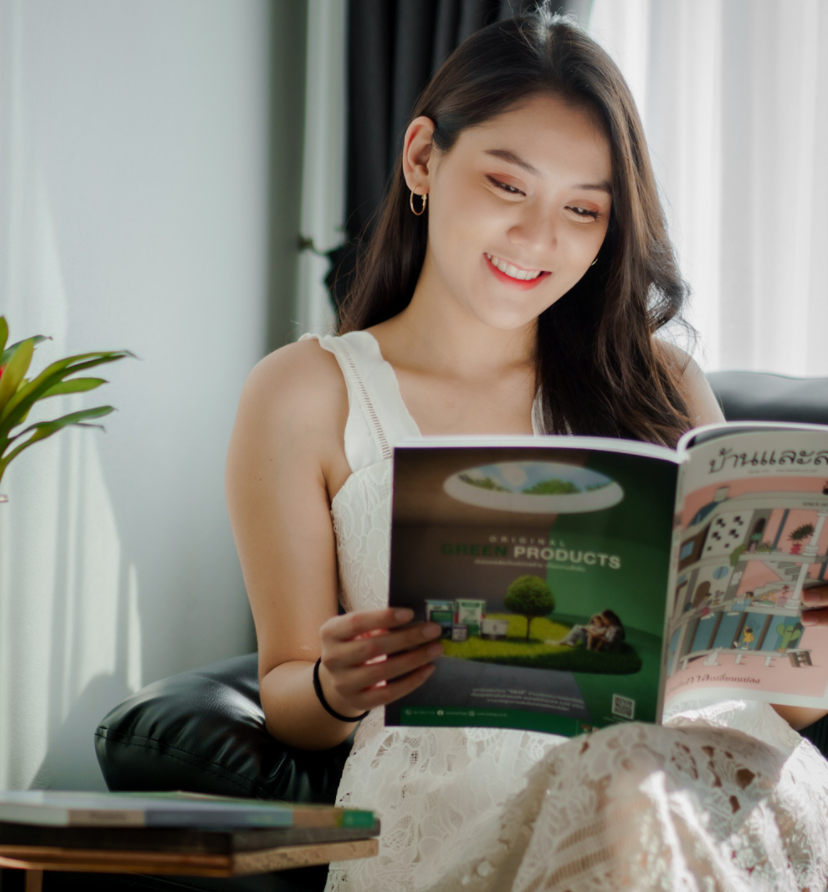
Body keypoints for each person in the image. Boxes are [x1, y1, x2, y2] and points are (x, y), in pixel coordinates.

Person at [226, 10, 828, 891]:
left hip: (704, 788)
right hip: (450, 809)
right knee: (617, 785)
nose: (540, 240)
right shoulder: (305, 395)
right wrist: (336, 684)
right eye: (509, 187)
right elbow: (285, 688)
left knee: (627, 780)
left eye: (584, 210)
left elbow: (777, 702)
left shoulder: (659, 384)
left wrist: (810, 638)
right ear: (422, 157)